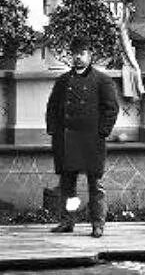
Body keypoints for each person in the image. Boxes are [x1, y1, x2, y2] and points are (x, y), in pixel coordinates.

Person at [46, 37, 120, 237]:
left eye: (82, 53)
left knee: (95, 185)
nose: (78, 57)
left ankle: (98, 224)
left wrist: (102, 132)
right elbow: (52, 108)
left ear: (90, 56)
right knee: (68, 186)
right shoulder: (62, 82)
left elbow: (111, 109)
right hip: (67, 141)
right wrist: (54, 131)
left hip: (91, 141)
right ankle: (68, 221)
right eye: (75, 53)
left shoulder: (102, 80)